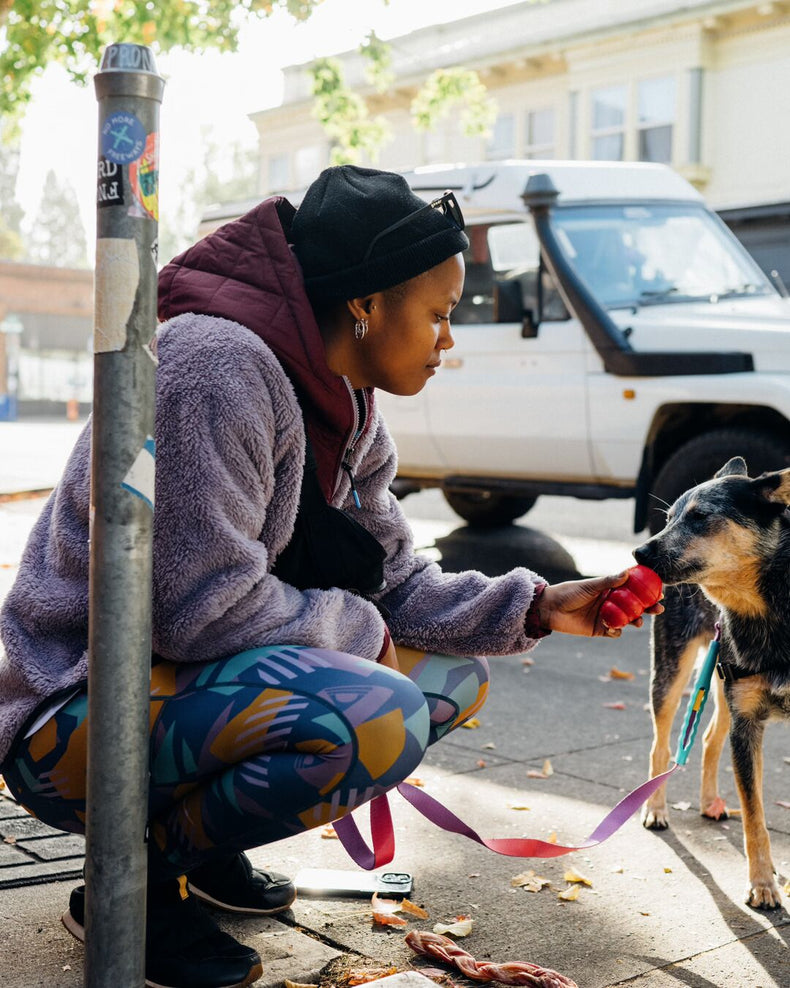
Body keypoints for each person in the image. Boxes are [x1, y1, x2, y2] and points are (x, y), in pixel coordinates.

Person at [0, 165, 659, 988]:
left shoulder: (347, 405)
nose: (447, 341)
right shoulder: (213, 370)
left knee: (450, 678)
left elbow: (392, 580)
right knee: (376, 711)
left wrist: (539, 605)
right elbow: (196, 608)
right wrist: (362, 637)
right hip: (70, 710)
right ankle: (129, 888)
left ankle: (203, 850)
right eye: (439, 316)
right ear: (367, 303)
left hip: (175, 687)